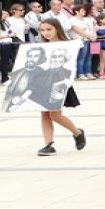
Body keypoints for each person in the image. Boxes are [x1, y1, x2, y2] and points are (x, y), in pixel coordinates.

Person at [35, 19, 86, 155]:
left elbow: (70, 66)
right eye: (42, 30)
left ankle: (77, 132)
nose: (45, 33)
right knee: (44, 114)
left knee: (55, 115)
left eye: (49, 29)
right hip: (44, 83)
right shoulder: (41, 47)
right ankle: (48, 144)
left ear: (57, 29)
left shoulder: (67, 45)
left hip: (60, 82)